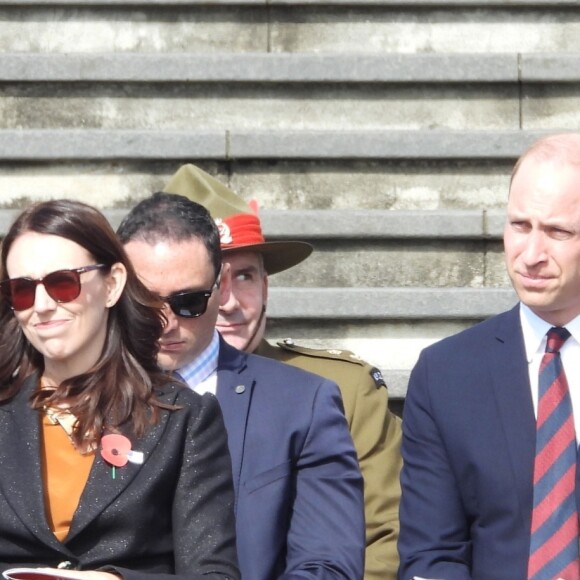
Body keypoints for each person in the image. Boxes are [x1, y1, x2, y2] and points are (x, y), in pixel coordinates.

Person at [162, 164, 403, 580]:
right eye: (207, 285)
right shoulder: (107, 387)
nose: (229, 302)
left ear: (267, 287)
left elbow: (383, 539)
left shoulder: (339, 390)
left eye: (245, 276)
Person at [117, 192, 365, 580]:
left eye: (189, 301)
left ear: (221, 288)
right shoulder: (80, 395)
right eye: (144, 301)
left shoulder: (302, 403)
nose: (165, 322)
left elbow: (326, 564)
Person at [0, 199, 239, 580]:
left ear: (111, 285)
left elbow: (213, 574)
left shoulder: (182, 420)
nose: (42, 306)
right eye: (23, 290)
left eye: (63, 283)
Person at [397, 132, 580, 579]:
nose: (531, 254)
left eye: (558, 231)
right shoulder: (447, 375)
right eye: (520, 225)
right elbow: (431, 553)